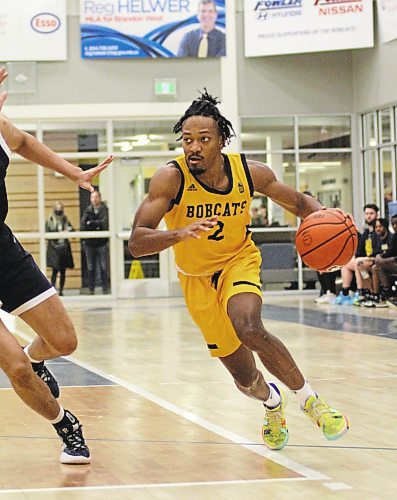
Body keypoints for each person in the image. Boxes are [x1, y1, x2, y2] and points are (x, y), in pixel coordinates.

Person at [128, 90, 349, 451]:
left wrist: (329, 219)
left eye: (203, 139)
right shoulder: (170, 179)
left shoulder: (251, 173)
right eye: (187, 140)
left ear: (222, 141)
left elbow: (298, 202)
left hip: (237, 260)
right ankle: (272, 403)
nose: (194, 147)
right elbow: (137, 243)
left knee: (248, 325)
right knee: (245, 379)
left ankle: (312, 402)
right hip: (196, 280)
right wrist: (178, 233)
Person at [0, 66, 112, 464]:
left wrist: (75, 172)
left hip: (2, 250)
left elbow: (24, 142)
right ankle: (66, 425)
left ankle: (37, 357)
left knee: (64, 342)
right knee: (12, 366)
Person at [334, 203, 379, 305]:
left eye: (371, 213)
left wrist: (362, 257)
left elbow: (379, 250)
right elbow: (359, 250)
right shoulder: (366, 232)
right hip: (365, 259)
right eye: (367, 213)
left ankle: (361, 292)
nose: (369, 216)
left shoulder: (379, 231)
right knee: (346, 264)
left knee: (358, 262)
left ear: (377, 215)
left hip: (374, 259)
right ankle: (345, 292)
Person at [81, 190, 109, 294]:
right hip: (90, 243)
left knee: (103, 266)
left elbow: (104, 223)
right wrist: (96, 224)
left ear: (100, 198)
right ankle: (91, 289)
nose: (94, 199)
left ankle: (105, 289)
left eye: (96, 197)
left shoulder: (104, 209)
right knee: (90, 267)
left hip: (102, 243)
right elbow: (83, 224)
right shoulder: (87, 211)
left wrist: (91, 223)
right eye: (92, 197)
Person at [360, 218, 393, 307]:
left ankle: (376, 294)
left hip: (388, 261)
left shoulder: (391, 237)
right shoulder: (377, 238)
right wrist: (369, 257)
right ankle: (369, 291)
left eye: (380, 226)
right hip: (377, 259)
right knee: (361, 265)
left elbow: (389, 252)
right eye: (376, 227)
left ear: (385, 227)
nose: (378, 229)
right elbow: (376, 251)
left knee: (375, 267)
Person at [46, 201, 74, 296]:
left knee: (63, 270)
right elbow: (47, 233)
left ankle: (61, 290)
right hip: (54, 248)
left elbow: (72, 230)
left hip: (64, 248)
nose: (59, 211)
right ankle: (53, 290)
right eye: (57, 208)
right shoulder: (50, 219)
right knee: (54, 270)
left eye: (60, 208)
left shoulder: (65, 219)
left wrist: (68, 230)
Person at [370, 215, 397, 308]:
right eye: (393, 224)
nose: (395, 226)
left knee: (379, 263)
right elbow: (391, 251)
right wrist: (380, 256)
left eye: (396, 223)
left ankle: (386, 293)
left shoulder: (391, 236)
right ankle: (380, 294)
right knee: (377, 266)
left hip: (394, 261)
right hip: (392, 262)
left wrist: (384, 258)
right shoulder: (395, 236)